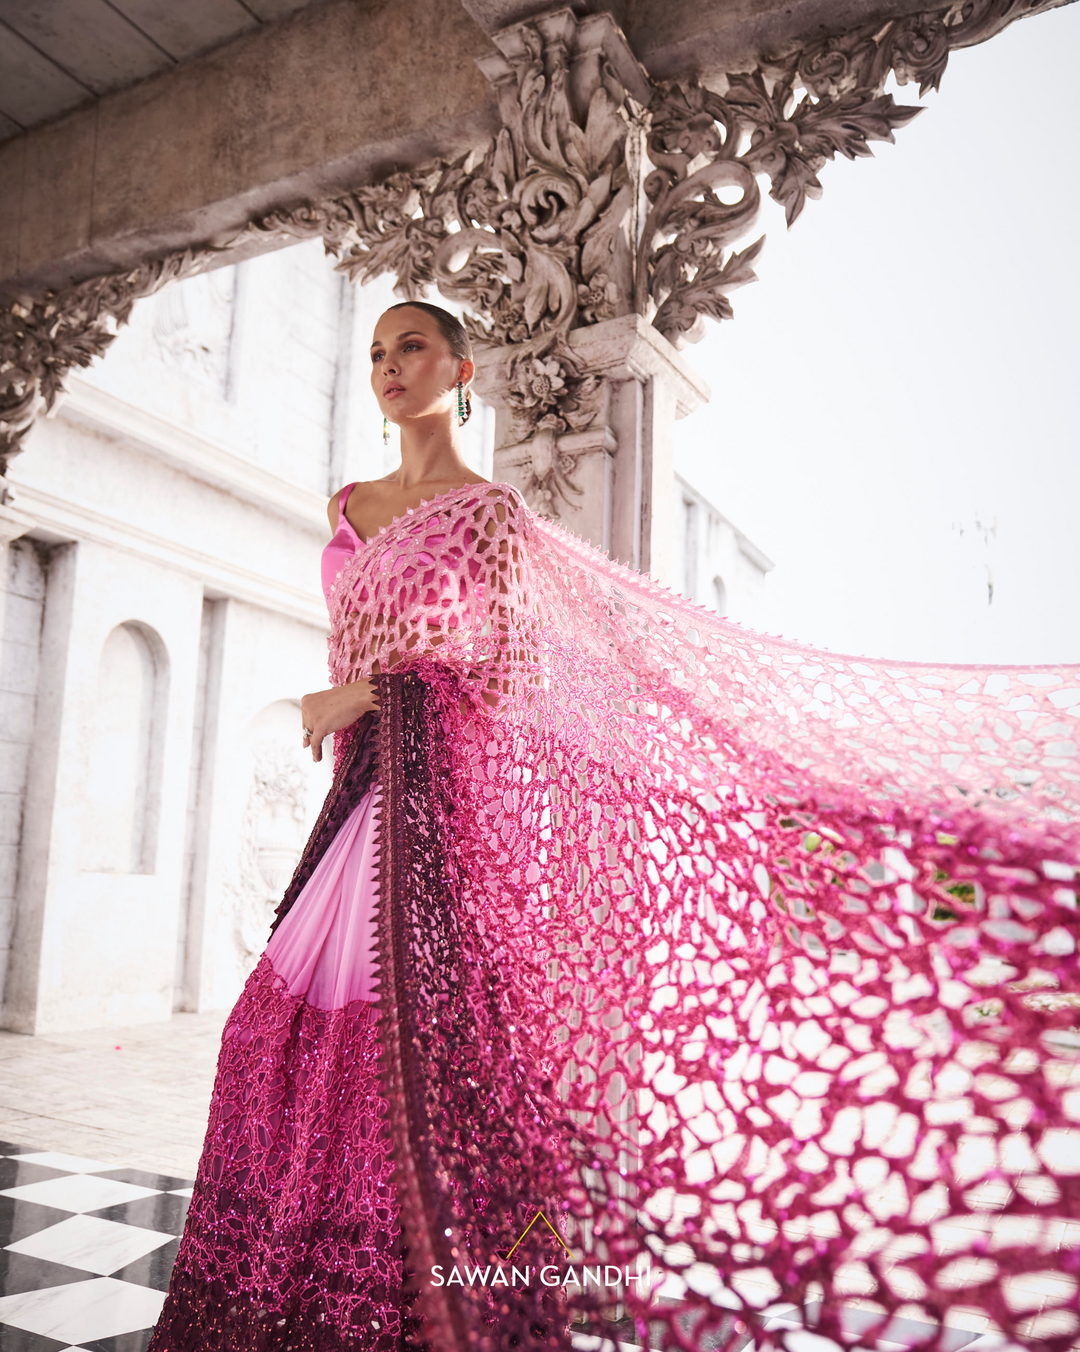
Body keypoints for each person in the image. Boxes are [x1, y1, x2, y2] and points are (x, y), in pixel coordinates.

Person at [149, 303, 1080, 1352]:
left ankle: (395, 1312)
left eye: (412, 347)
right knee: (271, 1043)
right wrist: (359, 705)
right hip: (361, 796)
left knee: (397, 1066)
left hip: (426, 814)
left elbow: (504, 678)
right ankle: (284, 1295)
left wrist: (366, 694)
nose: (388, 367)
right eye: (375, 353)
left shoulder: (488, 514)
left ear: (462, 369)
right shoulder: (349, 506)